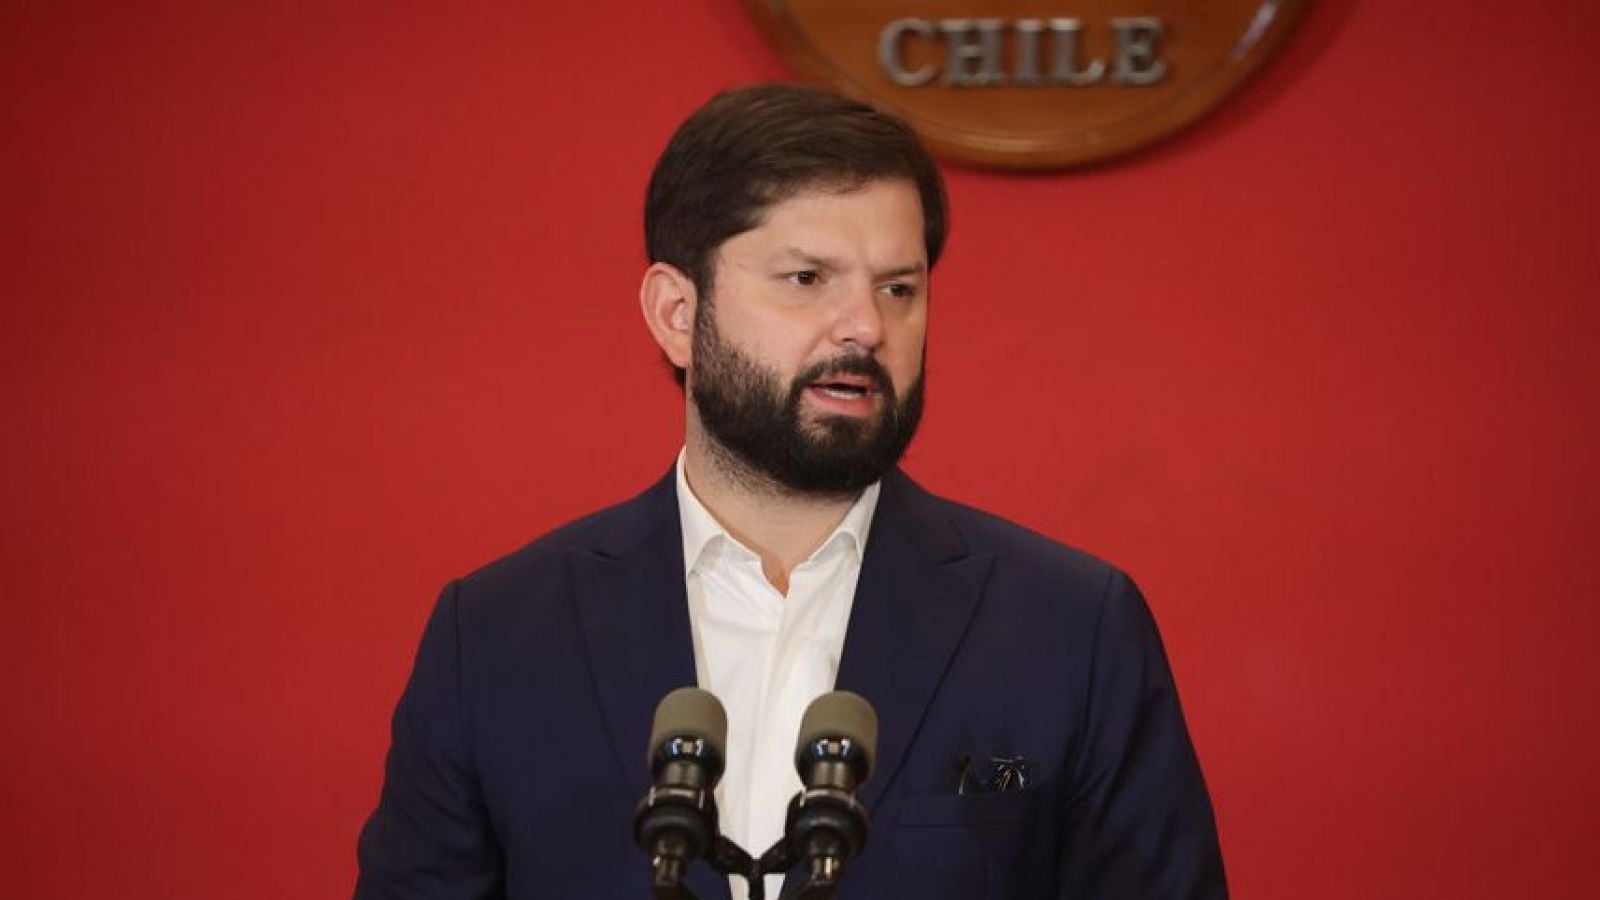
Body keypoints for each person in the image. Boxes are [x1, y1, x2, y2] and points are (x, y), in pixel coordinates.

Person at [355, 83, 1226, 900]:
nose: (867, 327)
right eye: (807, 279)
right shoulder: (496, 638)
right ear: (677, 315)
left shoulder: (1071, 630)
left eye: (899, 288)